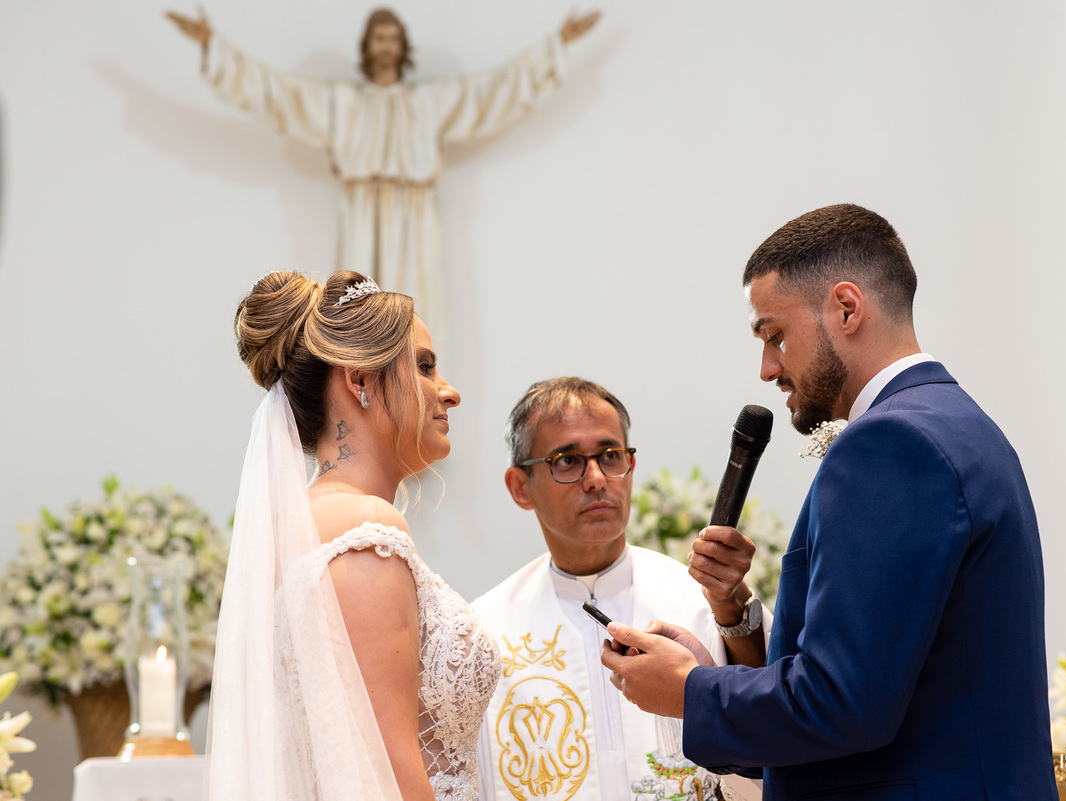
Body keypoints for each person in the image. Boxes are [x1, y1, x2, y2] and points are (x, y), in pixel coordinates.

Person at [601, 204, 1057, 800]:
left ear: (846, 307)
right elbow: (889, 681)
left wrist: (689, 689)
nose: (767, 368)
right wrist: (723, 660)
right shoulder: (958, 422)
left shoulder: (893, 443)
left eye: (775, 335)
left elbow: (844, 703)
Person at [209, 270, 499, 801]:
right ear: (359, 380)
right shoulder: (365, 530)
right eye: (425, 366)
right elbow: (386, 764)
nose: (449, 392)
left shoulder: (306, 525)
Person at [165, 8, 600, 336]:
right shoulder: (341, 103)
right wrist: (214, 46)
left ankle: (413, 422)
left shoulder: (431, 102)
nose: (386, 43)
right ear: (367, 46)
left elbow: (495, 93)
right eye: (378, 35)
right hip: (361, 211)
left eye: (393, 35)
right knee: (354, 318)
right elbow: (276, 94)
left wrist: (557, 43)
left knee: (417, 315)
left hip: (417, 214)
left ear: (403, 45)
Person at [472, 377, 769, 801]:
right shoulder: (485, 630)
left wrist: (734, 606)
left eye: (611, 455)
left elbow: (771, 729)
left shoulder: (697, 599)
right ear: (521, 487)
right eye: (567, 461)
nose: (596, 478)